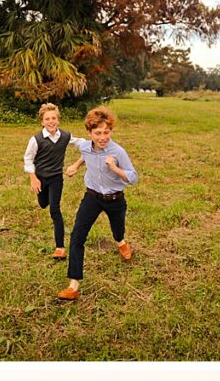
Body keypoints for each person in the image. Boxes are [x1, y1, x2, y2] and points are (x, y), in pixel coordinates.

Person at [57, 104, 138, 301]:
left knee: (117, 230)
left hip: (115, 199)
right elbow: (86, 153)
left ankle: (121, 242)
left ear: (111, 131)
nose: (103, 137)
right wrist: (76, 165)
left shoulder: (118, 152)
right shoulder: (86, 146)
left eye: (106, 132)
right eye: (98, 132)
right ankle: (73, 285)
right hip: (92, 197)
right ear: (90, 132)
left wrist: (115, 168)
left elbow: (133, 177)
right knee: (77, 236)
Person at [21, 96, 70, 259]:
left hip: (56, 177)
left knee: (54, 209)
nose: (51, 121)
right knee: (43, 204)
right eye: (47, 119)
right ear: (42, 122)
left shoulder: (65, 136)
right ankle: (45, 196)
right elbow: (28, 159)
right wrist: (33, 178)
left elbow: (81, 143)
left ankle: (60, 248)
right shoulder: (36, 140)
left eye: (54, 118)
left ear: (58, 120)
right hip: (41, 177)